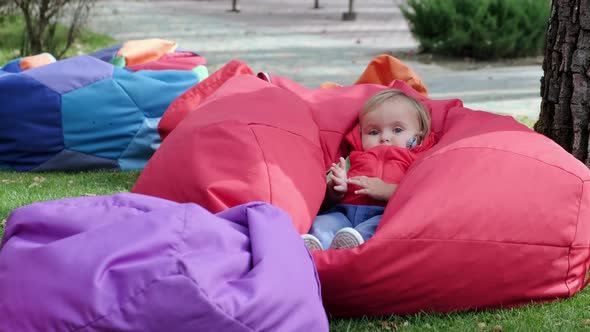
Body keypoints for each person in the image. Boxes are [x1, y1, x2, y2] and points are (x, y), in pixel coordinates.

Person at [302, 89, 432, 250]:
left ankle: (353, 244)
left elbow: (420, 196)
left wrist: (387, 191)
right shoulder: (352, 157)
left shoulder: (417, 160)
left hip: (383, 214)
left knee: (379, 227)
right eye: (374, 132)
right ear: (361, 134)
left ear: (417, 137)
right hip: (344, 211)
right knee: (323, 222)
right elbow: (323, 200)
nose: (384, 137)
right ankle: (317, 242)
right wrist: (335, 189)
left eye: (397, 130)